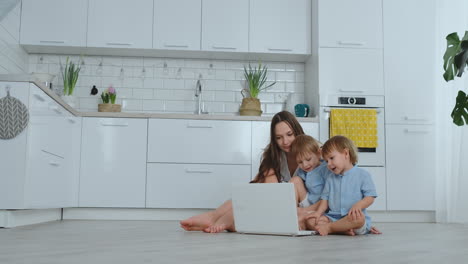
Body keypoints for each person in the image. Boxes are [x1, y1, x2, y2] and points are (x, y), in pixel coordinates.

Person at [180, 110, 307, 233]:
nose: (285, 142)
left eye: (289, 135)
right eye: (279, 138)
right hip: (274, 203)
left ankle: (220, 219)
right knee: (259, 189)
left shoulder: (311, 151)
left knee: (252, 210)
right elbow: (264, 192)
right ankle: (215, 217)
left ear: (297, 131)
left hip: (299, 205)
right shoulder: (275, 156)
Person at [304, 135, 378, 236]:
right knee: (310, 221)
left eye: (331, 158)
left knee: (360, 220)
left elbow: (370, 197)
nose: (329, 164)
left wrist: (359, 205)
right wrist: (318, 213)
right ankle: (340, 229)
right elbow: (325, 199)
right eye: (326, 161)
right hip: (333, 217)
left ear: (346, 153)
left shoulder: (362, 175)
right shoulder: (330, 178)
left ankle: (331, 228)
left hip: (352, 217)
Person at [289, 134, 331, 229]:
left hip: (323, 205)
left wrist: (306, 210)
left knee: (313, 223)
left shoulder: (325, 168)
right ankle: (293, 213)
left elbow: (329, 198)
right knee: (294, 180)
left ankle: (303, 215)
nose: (305, 165)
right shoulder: (302, 171)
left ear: (318, 153)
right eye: (300, 162)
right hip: (310, 201)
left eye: (308, 159)